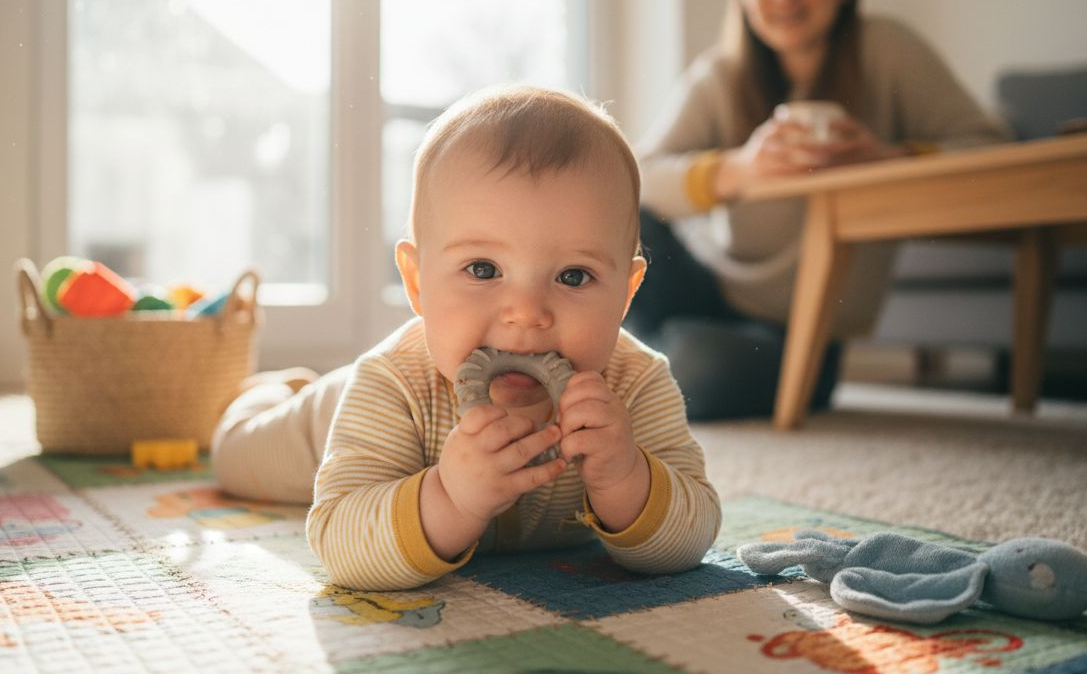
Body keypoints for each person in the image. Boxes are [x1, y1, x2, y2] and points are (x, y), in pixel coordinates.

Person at [212, 86, 721, 591]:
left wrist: (628, 477)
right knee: (235, 458)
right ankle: (271, 393)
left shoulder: (635, 386)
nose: (526, 314)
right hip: (328, 422)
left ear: (626, 294)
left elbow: (694, 533)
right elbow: (341, 547)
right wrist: (449, 498)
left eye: (572, 276)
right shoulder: (393, 385)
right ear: (416, 282)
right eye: (483, 268)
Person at [627, 0, 1008, 420]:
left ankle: (629, 358)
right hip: (706, 286)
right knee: (623, 223)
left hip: (802, 332)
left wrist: (887, 158)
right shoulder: (719, 75)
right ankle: (635, 356)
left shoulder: (886, 49)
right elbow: (637, 176)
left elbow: (990, 147)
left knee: (697, 370)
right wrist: (738, 170)